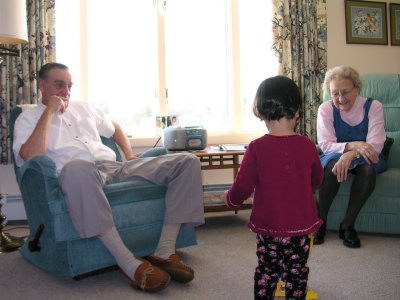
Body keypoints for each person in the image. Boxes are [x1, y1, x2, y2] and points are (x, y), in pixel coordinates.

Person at [13, 62, 205, 292]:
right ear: (42, 85)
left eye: (69, 85)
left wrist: (130, 154)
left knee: (187, 161)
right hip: (78, 175)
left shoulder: (84, 108)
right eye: (59, 85)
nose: (66, 91)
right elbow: (30, 155)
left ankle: (164, 249)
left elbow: (114, 128)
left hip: (114, 167)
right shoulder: (28, 118)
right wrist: (49, 111)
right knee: (77, 167)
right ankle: (128, 262)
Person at [223, 76, 324, 300]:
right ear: (297, 111)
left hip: (268, 227)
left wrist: (230, 200)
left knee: (267, 272)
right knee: (296, 273)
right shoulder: (308, 145)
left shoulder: (256, 148)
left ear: (260, 110)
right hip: (301, 227)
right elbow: (318, 179)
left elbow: (243, 186)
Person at [314, 65, 387, 248]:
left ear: (357, 88)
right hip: (335, 154)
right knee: (331, 167)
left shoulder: (373, 106)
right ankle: (320, 222)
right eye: (334, 93)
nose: (340, 98)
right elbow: (326, 144)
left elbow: (375, 144)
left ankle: (347, 225)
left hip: (368, 156)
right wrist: (352, 146)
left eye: (345, 92)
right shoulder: (326, 109)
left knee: (368, 170)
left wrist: (350, 155)